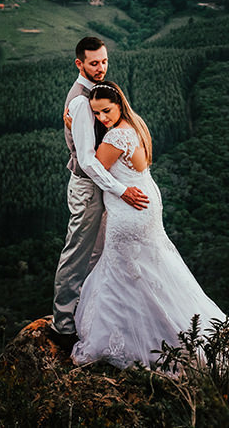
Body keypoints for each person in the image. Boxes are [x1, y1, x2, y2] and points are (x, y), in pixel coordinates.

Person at [69, 80, 229, 399]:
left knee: (125, 273)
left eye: (107, 110)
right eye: (96, 113)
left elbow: (90, 167)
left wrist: (78, 128)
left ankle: (137, 337)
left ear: (119, 105)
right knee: (148, 275)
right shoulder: (135, 126)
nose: (102, 117)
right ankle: (163, 329)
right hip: (144, 209)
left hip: (129, 214)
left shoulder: (117, 135)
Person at [51, 37, 150, 343]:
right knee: (78, 252)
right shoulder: (80, 101)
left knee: (97, 252)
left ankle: (87, 313)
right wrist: (122, 190)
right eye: (94, 63)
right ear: (79, 63)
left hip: (102, 186)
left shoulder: (93, 95)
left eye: (104, 61)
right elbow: (87, 161)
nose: (101, 68)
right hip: (88, 186)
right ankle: (63, 324)